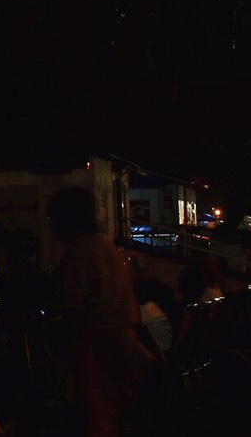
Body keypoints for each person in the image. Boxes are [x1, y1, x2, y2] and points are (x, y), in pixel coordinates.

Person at [48, 186, 154, 437]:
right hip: (122, 345)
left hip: (98, 349)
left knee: (99, 419)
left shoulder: (79, 254)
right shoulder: (106, 248)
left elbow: (74, 308)